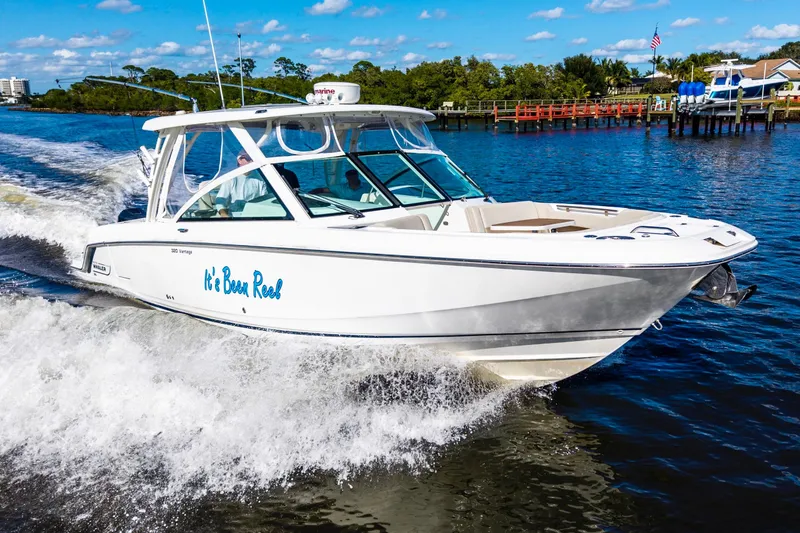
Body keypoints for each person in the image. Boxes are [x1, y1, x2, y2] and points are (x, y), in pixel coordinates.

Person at [215, 152, 269, 218]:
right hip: (234, 216)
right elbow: (220, 201)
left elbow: (265, 200)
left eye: (252, 159)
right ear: (239, 161)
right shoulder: (231, 178)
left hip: (254, 216)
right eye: (248, 159)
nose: (251, 161)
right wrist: (224, 215)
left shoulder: (260, 179)